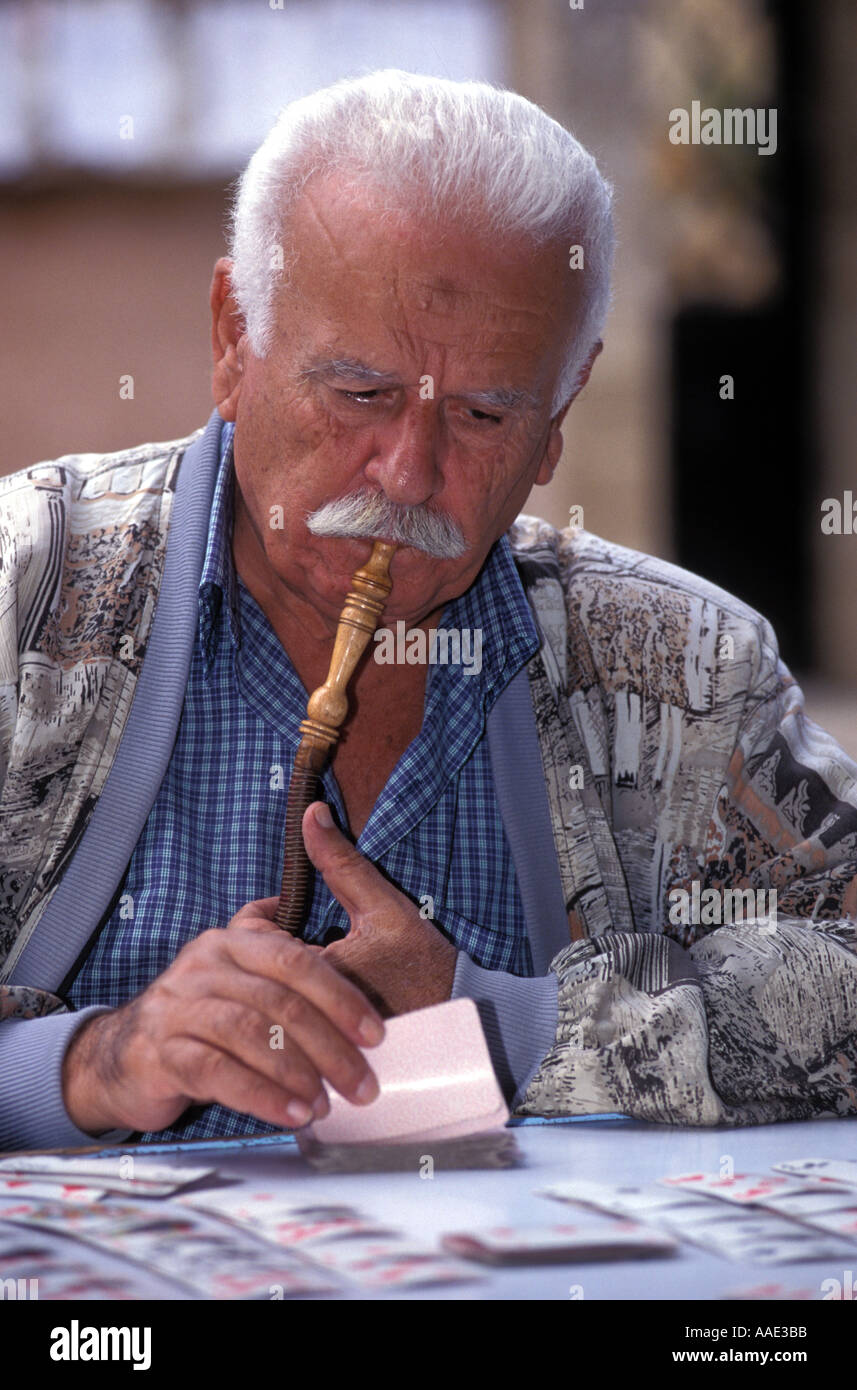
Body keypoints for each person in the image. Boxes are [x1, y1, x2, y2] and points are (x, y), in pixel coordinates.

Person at [2, 70, 855, 1154]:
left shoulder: (678, 666)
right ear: (231, 337)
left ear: (558, 420)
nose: (406, 476)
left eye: (484, 411)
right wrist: (90, 1063)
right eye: (357, 393)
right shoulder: (21, 593)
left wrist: (499, 1017)